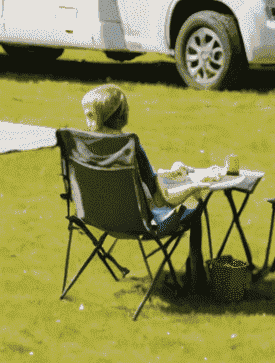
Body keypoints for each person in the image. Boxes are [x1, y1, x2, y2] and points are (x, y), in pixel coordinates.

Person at [81, 82, 210, 283]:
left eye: (89, 115)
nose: (86, 121)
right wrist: (185, 181)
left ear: (103, 117)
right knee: (197, 202)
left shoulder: (85, 147)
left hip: (98, 217)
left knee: (175, 184)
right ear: (121, 116)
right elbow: (153, 187)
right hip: (143, 222)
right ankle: (196, 270)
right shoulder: (128, 144)